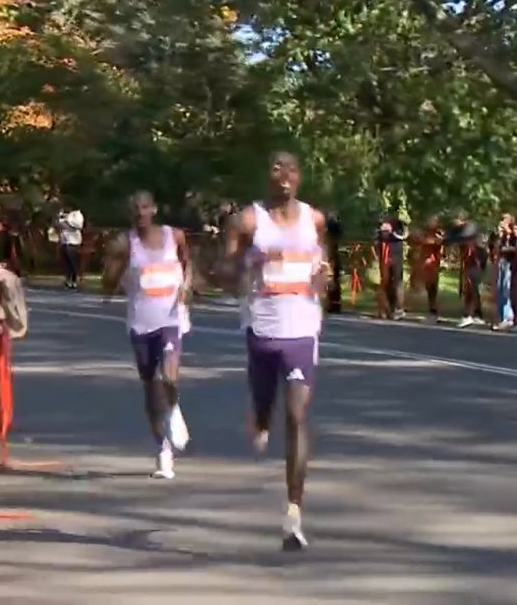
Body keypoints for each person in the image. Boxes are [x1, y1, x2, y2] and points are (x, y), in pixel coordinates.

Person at [215, 151, 329, 551]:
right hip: (262, 326)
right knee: (265, 405)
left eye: (291, 169)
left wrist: (322, 280)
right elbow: (223, 272)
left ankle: (293, 514)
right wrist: (245, 267)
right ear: (266, 175)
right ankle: (260, 419)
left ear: (300, 177)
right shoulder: (248, 221)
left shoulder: (313, 219)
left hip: (302, 327)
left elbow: (321, 264)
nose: (283, 176)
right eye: (275, 168)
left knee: (297, 414)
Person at [102, 191, 193, 479]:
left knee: (167, 375)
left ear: (154, 209)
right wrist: (113, 273)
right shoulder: (124, 243)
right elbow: (108, 283)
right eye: (134, 208)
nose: (140, 213)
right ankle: (163, 449)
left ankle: (175, 409)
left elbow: (188, 263)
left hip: (171, 318)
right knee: (152, 394)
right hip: (141, 324)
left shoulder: (173, 236)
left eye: (144, 207)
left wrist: (186, 286)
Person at [372, 212, 408, 320]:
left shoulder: (400, 225)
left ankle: (398, 308)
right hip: (385, 257)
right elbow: (375, 239)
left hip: (396, 256)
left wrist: (392, 232)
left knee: (397, 283)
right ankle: (385, 309)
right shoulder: (379, 228)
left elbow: (405, 235)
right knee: (385, 282)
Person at [411, 217, 445, 323]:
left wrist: (423, 240)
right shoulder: (426, 232)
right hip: (424, 263)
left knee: (432, 288)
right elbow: (413, 240)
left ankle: (434, 313)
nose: (429, 222)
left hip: (432, 263)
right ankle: (432, 312)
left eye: (432, 220)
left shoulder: (438, 232)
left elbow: (438, 242)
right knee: (427, 287)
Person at [490, 214, 517, 331]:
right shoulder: (498, 235)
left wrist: (508, 233)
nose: (501, 222)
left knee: (507, 288)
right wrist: (499, 236)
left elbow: (516, 246)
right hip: (499, 262)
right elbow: (492, 246)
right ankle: (500, 317)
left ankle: (508, 317)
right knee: (499, 289)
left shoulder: (513, 235)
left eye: (504, 220)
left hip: (509, 263)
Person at [56, 206, 85, 289]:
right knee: (64, 259)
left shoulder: (77, 214)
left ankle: (75, 278)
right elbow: (58, 224)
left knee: (72, 258)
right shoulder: (62, 213)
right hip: (64, 240)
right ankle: (68, 278)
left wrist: (66, 221)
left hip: (73, 241)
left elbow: (78, 225)